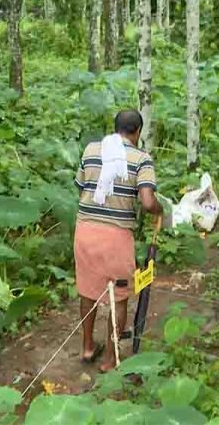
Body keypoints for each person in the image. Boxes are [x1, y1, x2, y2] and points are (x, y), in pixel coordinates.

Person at [73, 109, 163, 372]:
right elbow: (147, 202)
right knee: (119, 295)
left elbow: (81, 186)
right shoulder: (140, 158)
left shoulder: (91, 150)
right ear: (137, 132)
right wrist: (159, 210)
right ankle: (110, 360)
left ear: (115, 129)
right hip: (116, 236)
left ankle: (88, 346)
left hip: (85, 231)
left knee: (88, 290)